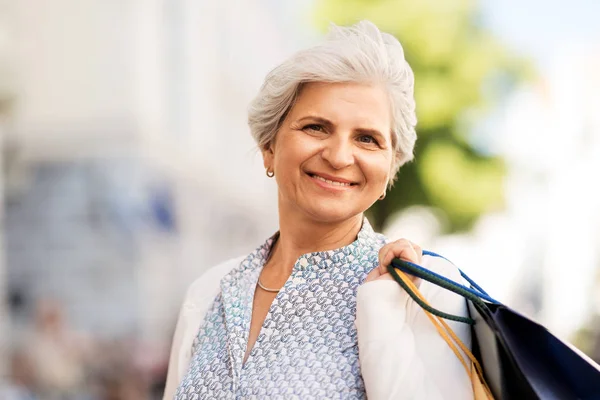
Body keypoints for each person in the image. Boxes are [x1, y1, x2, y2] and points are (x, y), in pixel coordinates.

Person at [164, 20, 473, 399]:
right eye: (316, 128)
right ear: (269, 146)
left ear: (391, 168)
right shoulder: (208, 292)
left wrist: (382, 310)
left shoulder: (424, 287)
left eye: (367, 138)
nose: (339, 156)